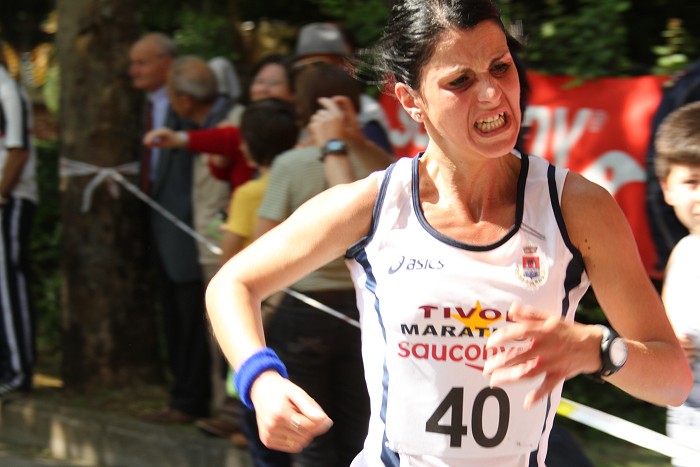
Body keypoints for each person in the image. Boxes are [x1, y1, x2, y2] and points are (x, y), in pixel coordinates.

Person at [206, 1, 692, 466]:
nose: (492, 94)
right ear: (411, 100)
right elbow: (232, 284)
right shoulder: (375, 205)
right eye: (460, 80)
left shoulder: (576, 207)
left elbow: (673, 379)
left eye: (501, 67)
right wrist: (260, 380)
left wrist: (596, 349)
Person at [129, 35, 210, 425]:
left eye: (142, 63)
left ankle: (191, 399)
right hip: (157, 227)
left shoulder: (190, 107)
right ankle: (180, 393)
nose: (134, 71)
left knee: (191, 317)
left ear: (167, 63)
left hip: (189, 229)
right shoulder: (144, 108)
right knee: (172, 316)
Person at [654, 101, 700, 467]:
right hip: (687, 429)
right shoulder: (682, 254)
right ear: (667, 189)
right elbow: (663, 339)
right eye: (692, 182)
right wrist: (669, 347)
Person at [0, 41, 38, 397]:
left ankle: (18, 371)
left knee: (8, 281)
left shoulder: (6, 90)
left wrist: (1, 194)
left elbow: (18, 150)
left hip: (10, 201)